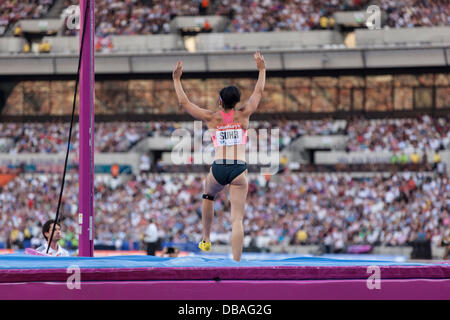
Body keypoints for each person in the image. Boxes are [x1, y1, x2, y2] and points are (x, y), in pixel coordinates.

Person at [173, 52, 266, 261]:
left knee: (208, 195)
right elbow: (258, 92)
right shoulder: (244, 115)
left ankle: (206, 237)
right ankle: (236, 261)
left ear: (220, 101)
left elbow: (184, 103)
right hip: (239, 169)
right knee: (237, 220)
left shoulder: (212, 118)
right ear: (236, 102)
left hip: (219, 168)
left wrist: (176, 79)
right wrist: (262, 70)